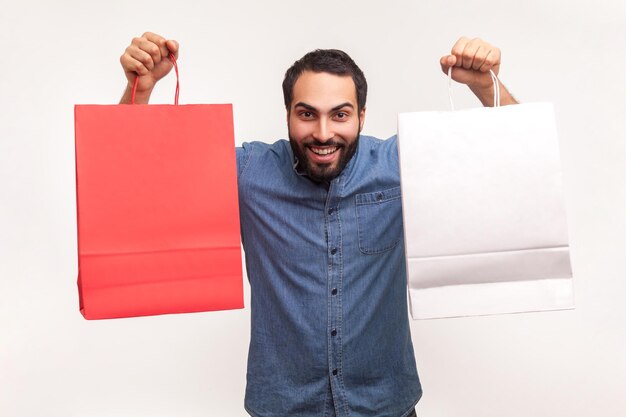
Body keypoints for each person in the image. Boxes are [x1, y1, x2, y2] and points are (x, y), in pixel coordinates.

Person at [119, 33, 518, 417]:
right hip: (283, 406)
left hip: (385, 405)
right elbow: (141, 177)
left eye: (340, 115)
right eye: (307, 114)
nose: (323, 133)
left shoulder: (399, 166)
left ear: (362, 116)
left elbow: (517, 158)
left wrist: (487, 86)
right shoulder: (250, 173)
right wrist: (141, 91)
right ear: (289, 114)